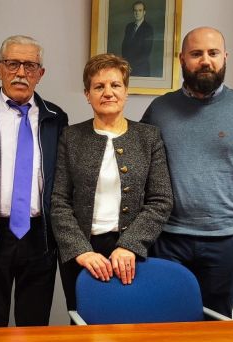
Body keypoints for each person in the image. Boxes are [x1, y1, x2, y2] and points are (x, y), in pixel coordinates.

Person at [140, 27, 233, 317]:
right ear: (182, 59)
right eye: (196, 53)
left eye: (213, 53)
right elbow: (139, 170)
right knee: (165, 326)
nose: (205, 60)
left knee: (215, 332)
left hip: (224, 244)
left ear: (225, 57)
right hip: (167, 241)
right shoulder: (159, 109)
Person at [0, 35, 68, 327]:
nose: (21, 72)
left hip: (39, 236)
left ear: (40, 73)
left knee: (33, 330)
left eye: (30, 65)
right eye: (13, 64)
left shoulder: (56, 118)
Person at [51, 53, 173, 312]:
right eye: (99, 86)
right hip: (81, 254)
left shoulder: (148, 137)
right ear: (87, 94)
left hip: (131, 253)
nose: (108, 92)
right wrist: (80, 251)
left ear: (126, 91)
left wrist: (130, 245)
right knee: (83, 325)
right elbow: (59, 202)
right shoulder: (71, 137)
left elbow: (161, 200)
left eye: (115, 85)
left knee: (129, 325)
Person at [121, 1, 153, 76]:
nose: (137, 13)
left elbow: (146, 52)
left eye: (140, 10)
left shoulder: (148, 29)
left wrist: (130, 65)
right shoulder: (129, 27)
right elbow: (124, 47)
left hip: (141, 70)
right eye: (135, 10)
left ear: (144, 12)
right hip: (127, 69)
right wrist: (126, 64)